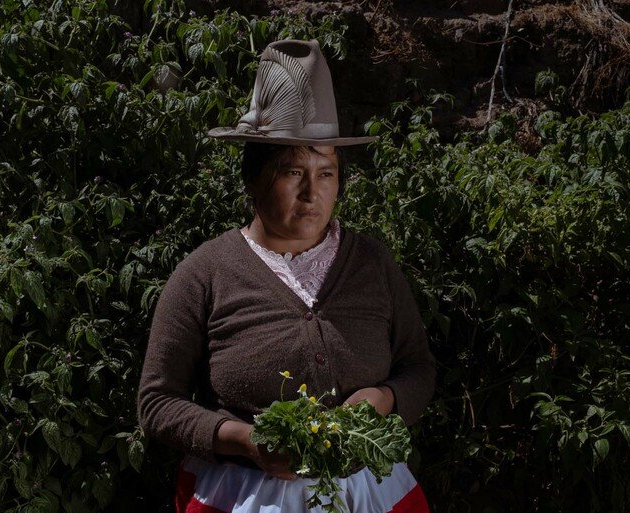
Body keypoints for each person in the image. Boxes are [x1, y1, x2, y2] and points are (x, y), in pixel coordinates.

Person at [137, 39, 436, 513]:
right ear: (253, 180)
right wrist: (245, 439)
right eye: (292, 171)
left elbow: (419, 368)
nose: (311, 193)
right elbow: (156, 402)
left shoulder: (372, 265)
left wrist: (383, 399)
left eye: (326, 173)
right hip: (243, 497)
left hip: (370, 496)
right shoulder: (205, 274)